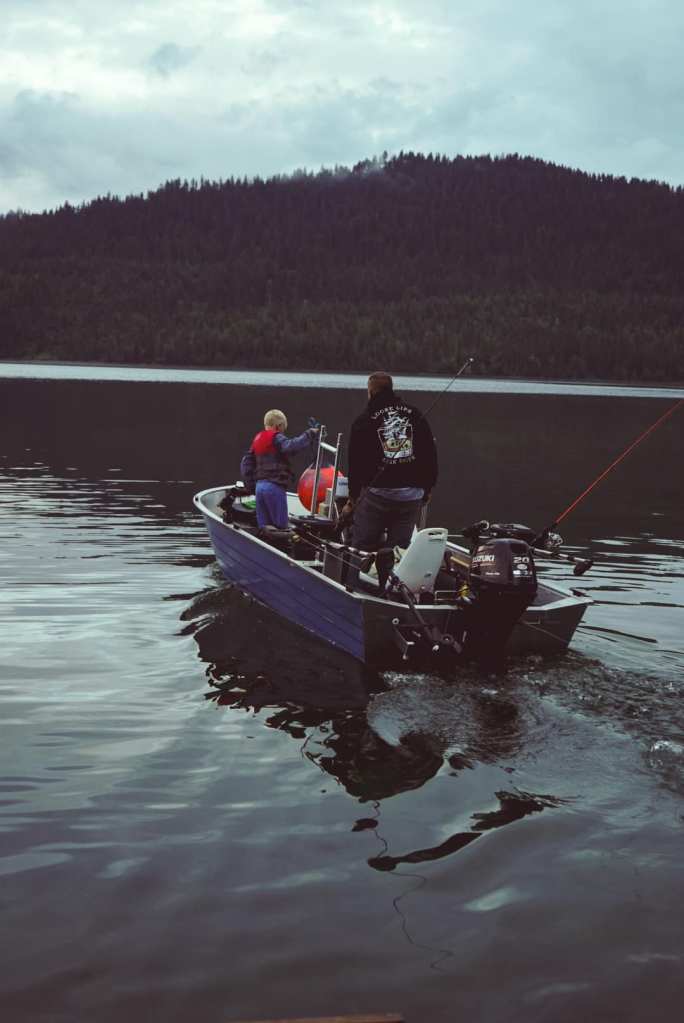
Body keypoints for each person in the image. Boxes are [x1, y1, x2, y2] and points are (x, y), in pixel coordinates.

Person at [343, 371, 438, 554]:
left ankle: (357, 578)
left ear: (370, 392)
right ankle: (392, 578)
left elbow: (355, 464)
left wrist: (353, 498)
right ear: (391, 389)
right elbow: (430, 454)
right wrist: (428, 488)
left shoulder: (364, 420)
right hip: (412, 496)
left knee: (363, 546)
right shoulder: (415, 414)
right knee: (398, 550)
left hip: (378, 494)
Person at [240, 409, 317, 529]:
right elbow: (291, 447)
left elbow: (245, 464)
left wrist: (251, 487)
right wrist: (309, 434)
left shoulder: (257, 440)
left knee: (265, 528)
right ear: (278, 426)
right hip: (274, 488)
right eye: (283, 429)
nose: (283, 432)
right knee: (281, 529)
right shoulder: (276, 437)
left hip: (259, 488)